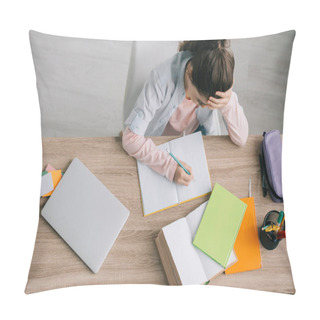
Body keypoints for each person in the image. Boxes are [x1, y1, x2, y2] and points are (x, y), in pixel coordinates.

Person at [122, 40, 248, 186]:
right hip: (159, 142)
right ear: (190, 73)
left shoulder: (213, 80)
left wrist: (229, 101)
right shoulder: (161, 80)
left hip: (193, 141)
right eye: (201, 102)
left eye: (212, 104)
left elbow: (241, 139)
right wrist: (169, 167)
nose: (207, 107)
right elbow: (130, 139)